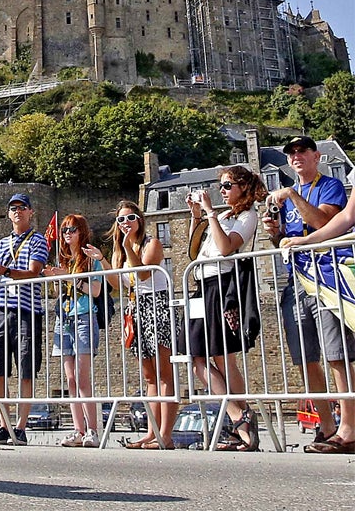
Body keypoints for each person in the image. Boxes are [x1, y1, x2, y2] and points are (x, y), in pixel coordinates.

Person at [261, 135, 347, 452]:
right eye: (291, 153)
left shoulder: (330, 186)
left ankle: (349, 428)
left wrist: (293, 195)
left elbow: (325, 221)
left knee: (338, 355)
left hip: (326, 276)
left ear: (316, 156)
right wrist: (276, 233)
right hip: (295, 279)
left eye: (302, 151)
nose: (296, 156)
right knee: (305, 357)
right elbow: (285, 242)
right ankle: (325, 427)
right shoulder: (288, 197)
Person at [186, 165, 265, 451]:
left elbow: (226, 247)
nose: (222, 191)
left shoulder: (247, 216)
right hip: (203, 285)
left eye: (227, 185)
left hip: (222, 286)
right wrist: (197, 216)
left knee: (222, 358)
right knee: (198, 358)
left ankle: (240, 422)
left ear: (243, 187)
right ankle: (241, 417)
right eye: (221, 186)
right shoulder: (224, 215)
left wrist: (209, 213)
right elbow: (195, 252)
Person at [0, 193, 48, 447]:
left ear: (30, 212)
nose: (17, 212)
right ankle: (4, 424)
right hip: (2, 309)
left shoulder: (38, 240)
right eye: (13, 208)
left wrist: (3, 271)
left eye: (22, 208)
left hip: (27, 310)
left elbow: (33, 272)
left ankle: (21, 427)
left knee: (26, 368)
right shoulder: (2, 244)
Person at [106, 202, 178, 450]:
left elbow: (143, 274)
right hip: (136, 308)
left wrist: (127, 247)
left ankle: (165, 435)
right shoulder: (119, 251)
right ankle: (151, 432)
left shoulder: (152, 244)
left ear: (140, 220)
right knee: (149, 377)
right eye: (121, 220)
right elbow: (118, 285)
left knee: (164, 374)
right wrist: (103, 263)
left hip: (157, 305)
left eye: (130, 218)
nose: (125, 223)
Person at [49, 214, 104, 448]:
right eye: (64, 230)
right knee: (70, 378)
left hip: (83, 316)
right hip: (65, 317)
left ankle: (92, 430)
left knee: (82, 377)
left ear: (82, 231)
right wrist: (56, 279)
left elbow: (95, 290)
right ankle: (78, 430)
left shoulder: (91, 258)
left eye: (72, 229)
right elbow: (57, 294)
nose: (67, 233)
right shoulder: (65, 260)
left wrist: (70, 279)